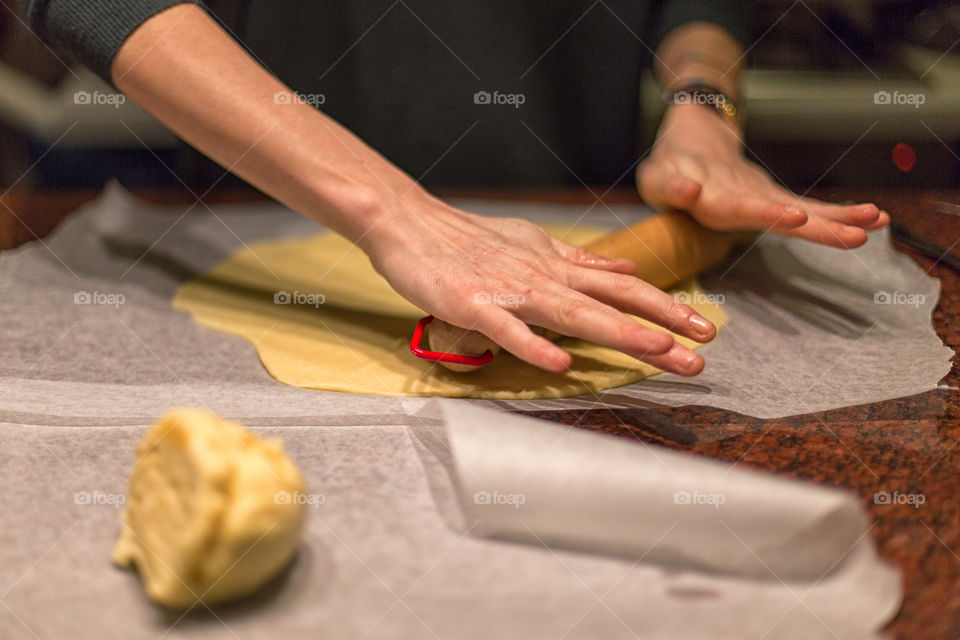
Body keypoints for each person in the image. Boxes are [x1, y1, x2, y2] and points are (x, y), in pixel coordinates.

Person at [25, 1, 888, 376]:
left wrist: (701, 107)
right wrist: (392, 208)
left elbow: (696, 2)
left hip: (579, 214)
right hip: (265, 221)